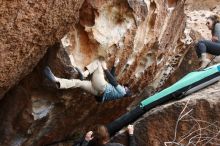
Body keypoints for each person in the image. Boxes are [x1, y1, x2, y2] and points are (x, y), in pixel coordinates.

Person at [44, 57, 132, 102]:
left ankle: (84, 74)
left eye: (126, 88)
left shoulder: (122, 92)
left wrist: (105, 69)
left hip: (101, 86)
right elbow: (112, 80)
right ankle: (57, 81)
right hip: (96, 91)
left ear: (126, 92)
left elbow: (113, 81)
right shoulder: (118, 94)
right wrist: (114, 66)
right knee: (78, 83)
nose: (125, 87)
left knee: (99, 61)